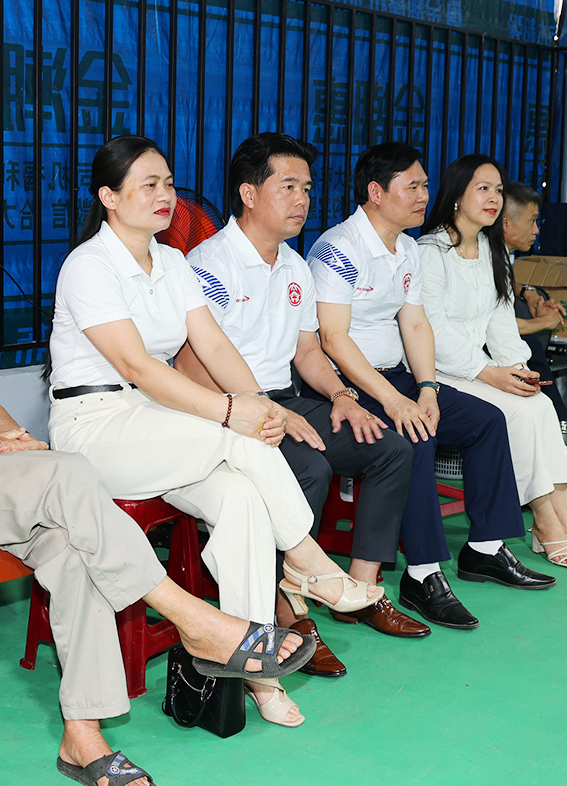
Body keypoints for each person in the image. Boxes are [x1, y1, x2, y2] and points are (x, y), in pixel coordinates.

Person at [0, 154, 312, 784]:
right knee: (70, 474)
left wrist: (8, 436)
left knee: (74, 544)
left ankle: (83, 737)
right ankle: (199, 622)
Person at [43, 135, 375, 729]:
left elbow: (214, 345)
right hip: (94, 427)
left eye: (169, 183)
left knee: (242, 497)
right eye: (149, 184)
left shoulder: (172, 263)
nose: (165, 195)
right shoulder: (87, 266)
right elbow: (138, 367)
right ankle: (306, 558)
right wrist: (230, 413)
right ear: (109, 197)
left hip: (153, 425)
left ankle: (259, 670)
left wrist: (260, 404)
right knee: (236, 436)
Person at [178, 133, 430, 650]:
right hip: (227, 409)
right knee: (308, 467)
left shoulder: (294, 266)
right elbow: (190, 365)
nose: (302, 200)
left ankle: (361, 588)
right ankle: (284, 609)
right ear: (249, 194)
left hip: (283, 398)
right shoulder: (209, 265)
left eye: (308, 189)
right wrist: (260, 409)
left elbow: (308, 351)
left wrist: (342, 397)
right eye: (288, 187)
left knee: (389, 447)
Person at [310, 141, 527, 629]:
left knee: (486, 420)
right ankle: (422, 573)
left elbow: (415, 324)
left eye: (425, 185)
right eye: (412, 186)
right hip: (347, 385)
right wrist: (394, 401)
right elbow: (333, 339)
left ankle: (485, 547)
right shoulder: (338, 248)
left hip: (399, 377)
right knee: (417, 434)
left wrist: (427, 388)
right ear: (376, 192)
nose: (424, 195)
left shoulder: (407, 248)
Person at [417, 155, 567, 568]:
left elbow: (500, 318)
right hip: (437, 371)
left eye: (498, 190)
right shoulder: (430, 251)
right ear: (457, 195)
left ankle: (561, 520)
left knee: (540, 404)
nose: (494, 198)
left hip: (479, 369)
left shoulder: (489, 248)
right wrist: (490, 373)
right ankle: (546, 522)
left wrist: (519, 368)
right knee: (517, 412)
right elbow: (431, 329)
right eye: (483, 188)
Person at [501, 179, 567, 482]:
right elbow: (495, 326)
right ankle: (559, 446)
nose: (536, 230)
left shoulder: (502, 252)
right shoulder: (478, 251)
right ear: (505, 223)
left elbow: (508, 280)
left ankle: (559, 446)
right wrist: (545, 321)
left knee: (532, 347)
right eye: (532, 221)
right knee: (531, 346)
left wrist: (529, 292)